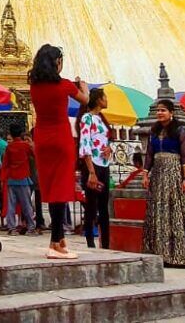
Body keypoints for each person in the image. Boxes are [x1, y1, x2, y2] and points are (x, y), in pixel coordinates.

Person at [28, 43, 88, 260]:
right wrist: (84, 86)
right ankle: (55, 242)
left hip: (42, 139)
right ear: (57, 62)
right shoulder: (64, 85)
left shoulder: (34, 86)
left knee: (51, 187)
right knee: (60, 189)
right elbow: (85, 100)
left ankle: (60, 240)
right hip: (61, 138)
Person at [142, 99, 185, 266]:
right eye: (158, 110)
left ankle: (179, 254)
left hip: (174, 174)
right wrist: (145, 174)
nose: (160, 113)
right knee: (159, 211)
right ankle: (161, 253)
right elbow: (149, 155)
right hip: (158, 175)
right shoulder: (153, 131)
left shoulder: (180, 131)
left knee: (176, 210)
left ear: (171, 113)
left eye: (163, 110)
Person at [78, 87, 112, 248]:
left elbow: (103, 139)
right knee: (91, 205)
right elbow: (85, 143)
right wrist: (91, 171)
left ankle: (106, 242)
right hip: (93, 165)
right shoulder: (87, 118)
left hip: (104, 163)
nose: (106, 100)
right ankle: (90, 241)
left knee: (104, 206)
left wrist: (109, 148)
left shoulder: (100, 119)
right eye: (104, 97)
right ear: (99, 100)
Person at [1, 123, 36, 234]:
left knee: (11, 205)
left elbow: (5, 164)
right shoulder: (25, 146)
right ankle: (31, 227)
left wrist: (3, 179)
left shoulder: (9, 147)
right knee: (26, 205)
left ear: (11, 134)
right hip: (23, 178)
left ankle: (11, 228)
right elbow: (35, 155)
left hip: (11, 179)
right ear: (21, 133)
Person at [26, 129, 46, 231]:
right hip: (31, 176)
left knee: (36, 201)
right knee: (29, 200)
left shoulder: (36, 146)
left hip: (36, 176)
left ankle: (39, 221)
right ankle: (32, 221)